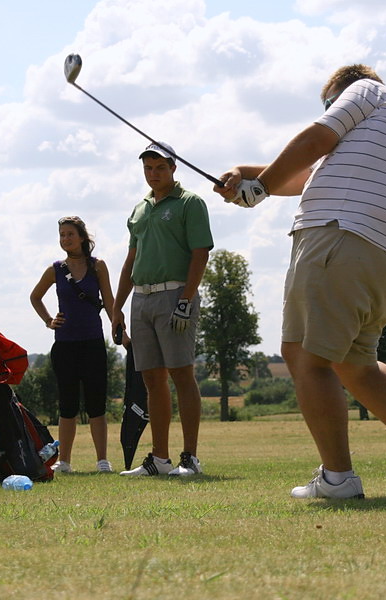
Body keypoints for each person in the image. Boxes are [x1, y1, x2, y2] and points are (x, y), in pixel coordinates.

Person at [215, 64, 386, 498]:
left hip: (340, 236)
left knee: (305, 356)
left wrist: (262, 187)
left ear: (341, 94)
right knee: (358, 367)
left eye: (329, 104)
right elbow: (305, 174)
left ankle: (337, 480)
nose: (329, 110)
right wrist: (247, 175)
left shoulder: (366, 91)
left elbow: (312, 141)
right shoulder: (385, 131)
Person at [112, 141, 213, 477]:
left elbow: (200, 254)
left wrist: (186, 299)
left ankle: (190, 458)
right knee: (152, 379)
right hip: (141, 298)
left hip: (174, 296)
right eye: (147, 168)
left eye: (159, 167)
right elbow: (131, 260)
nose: (153, 174)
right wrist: (116, 309)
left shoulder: (190, 203)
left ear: (173, 167)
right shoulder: (139, 209)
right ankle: (159, 459)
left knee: (182, 374)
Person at [30, 216, 116, 473]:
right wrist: (48, 320)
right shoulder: (55, 269)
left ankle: (102, 460)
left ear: (82, 237)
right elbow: (35, 297)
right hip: (65, 345)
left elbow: (109, 302)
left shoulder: (97, 266)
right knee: (67, 405)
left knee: (96, 404)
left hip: (93, 343)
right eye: (62, 235)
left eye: (70, 234)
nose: (65, 239)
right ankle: (64, 461)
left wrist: (120, 330)